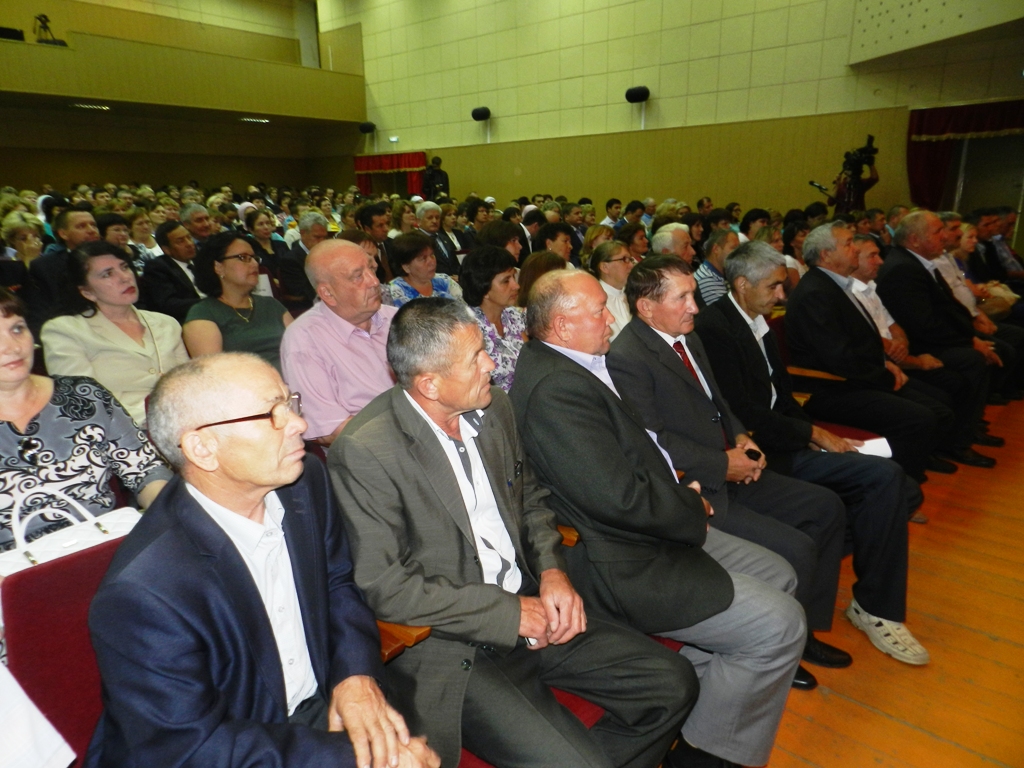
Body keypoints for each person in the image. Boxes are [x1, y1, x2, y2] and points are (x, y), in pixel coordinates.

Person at [327, 298, 695, 768]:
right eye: (476, 357)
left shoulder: (493, 406)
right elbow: (386, 587)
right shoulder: (367, 450)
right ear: (430, 384)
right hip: (455, 643)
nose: (492, 364)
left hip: (533, 604)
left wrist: (553, 572)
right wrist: (509, 613)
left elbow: (531, 499)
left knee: (673, 683)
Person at [508, 270, 806, 768]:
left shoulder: (577, 363)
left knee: (781, 573)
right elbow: (618, 500)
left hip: (657, 522)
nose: (611, 318)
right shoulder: (556, 389)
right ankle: (702, 757)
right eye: (600, 311)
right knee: (782, 624)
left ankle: (708, 711)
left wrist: (682, 497)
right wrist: (690, 505)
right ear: (561, 326)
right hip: (623, 558)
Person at [86, 352, 439, 768]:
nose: (299, 424)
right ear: (203, 448)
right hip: (231, 743)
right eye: (271, 413)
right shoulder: (143, 593)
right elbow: (190, 747)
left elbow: (338, 584)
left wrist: (355, 676)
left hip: (320, 701)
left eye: (290, 403)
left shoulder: (304, 482)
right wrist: (363, 758)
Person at [608, 254, 850, 686]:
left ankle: (806, 628)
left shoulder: (686, 336)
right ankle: (784, 647)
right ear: (646, 307)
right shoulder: (628, 356)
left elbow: (718, 401)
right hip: (699, 487)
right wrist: (724, 464)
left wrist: (741, 437)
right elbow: (654, 441)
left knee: (826, 507)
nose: (695, 307)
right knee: (794, 548)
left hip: (732, 465)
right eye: (682, 298)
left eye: (693, 295)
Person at [695, 242, 929, 663]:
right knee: (885, 482)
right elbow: (741, 411)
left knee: (903, 489)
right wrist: (812, 433)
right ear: (742, 285)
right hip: (764, 451)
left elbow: (781, 397)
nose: (782, 295)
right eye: (774, 286)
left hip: (788, 437)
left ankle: (848, 581)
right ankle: (877, 608)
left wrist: (813, 433)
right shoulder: (715, 328)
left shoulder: (757, 321)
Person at [0, 287, 170, 555]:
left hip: (109, 551)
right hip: (12, 571)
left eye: (17, 329)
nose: (12, 346)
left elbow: (146, 471)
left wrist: (169, 515)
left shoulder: (84, 395)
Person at [784, 221, 957, 482]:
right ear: (826, 255)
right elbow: (839, 357)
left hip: (854, 377)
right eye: (848, 244)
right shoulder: (815, 293)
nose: (855, 248)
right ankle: (901, 483)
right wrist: (884, 374)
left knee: (939, 401)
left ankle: (912, 466)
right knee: (919, 418)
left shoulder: (836, 285)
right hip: (829, 388)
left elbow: (862, 341)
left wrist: (886, 364)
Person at [876, 211, 1000, 466]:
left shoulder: (918, 262)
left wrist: (971, 336)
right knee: (972, 361)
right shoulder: (903, 268)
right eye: (937, 231)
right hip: (918, 345)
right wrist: (970, 341)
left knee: (977, 356)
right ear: (915, 239)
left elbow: (949, 308)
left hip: (931, 338)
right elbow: (922, 324)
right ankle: (958, 442)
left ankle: (965, 431)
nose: (944, 236)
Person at [40, 241, 188, 427]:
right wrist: (161, 418)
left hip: (185, 419)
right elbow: (84, 402)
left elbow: (188, 382)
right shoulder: (65, 331)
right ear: (86, 292)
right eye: (108, 274)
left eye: (124, 267)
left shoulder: (166, 323)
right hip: (120, 430)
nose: (125, 277)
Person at [280, 240, 397, 446]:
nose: (374, 282)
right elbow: (330, 431)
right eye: (358, 276)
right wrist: (409, 434)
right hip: (372, 448)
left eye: (372, 269)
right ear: (328, 293)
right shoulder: (304, 340)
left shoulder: (397, 318)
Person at [182, 232, 292, 372]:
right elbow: (213, 373)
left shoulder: (272, 305)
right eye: (243, 258)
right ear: (218, 267)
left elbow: (303, 348)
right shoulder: (203, 314)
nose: (254, 264)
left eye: (254, 258)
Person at [461, 246, 527, 392]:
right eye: (506, 281)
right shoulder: (467, 328)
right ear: (483, 289)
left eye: (514, 277)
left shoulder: (511, 315)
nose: (516, 286)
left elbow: (532, 360)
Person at [139, 220, 204, 324]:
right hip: (186, 320)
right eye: (180, 241)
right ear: (166, 249)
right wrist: (208, 303)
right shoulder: (157, 267)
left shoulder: (201, 259)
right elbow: (169, 304)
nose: (189, 244)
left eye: (189, 237)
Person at [384, 232, 463, 307]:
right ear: (406, 267)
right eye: (423, 258)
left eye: (432, 255)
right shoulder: (392, 293)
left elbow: (465, 309)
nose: (432, 262)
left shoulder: (444, 281)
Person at [279, 211, 329, 315]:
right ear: (302, 233)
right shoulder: (290, 260)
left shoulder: (327, 254)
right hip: (308, 309)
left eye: (324, 237)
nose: (322, 241)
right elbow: (302, 292)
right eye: (317, 237)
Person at [589, 240, 636, 341]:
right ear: (605, 267)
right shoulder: (594, 301)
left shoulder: (635, 292)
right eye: (624, 259)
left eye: (630, 260)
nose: (631, 265)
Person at [693, 228, 739, 306]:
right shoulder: (707, 280)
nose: (739, 253)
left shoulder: (720, 274)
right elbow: (729, 311)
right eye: (734, 248)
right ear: (716, 249)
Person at [247, 207, 290, 280]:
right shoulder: (250, 250)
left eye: (268, 223)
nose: (266, 227)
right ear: (251, 230)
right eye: (260, 224)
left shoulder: (281, 245)